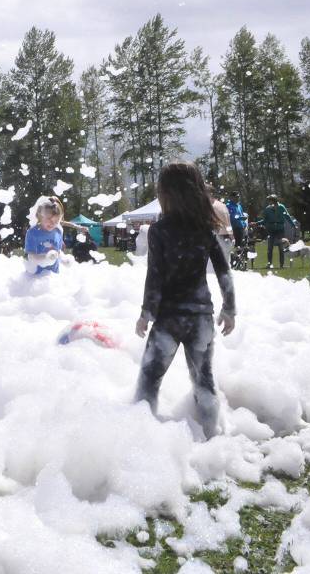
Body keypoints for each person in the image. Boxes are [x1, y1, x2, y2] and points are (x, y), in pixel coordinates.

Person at [134, 162, 235, 440]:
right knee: (204, 381)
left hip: (168, 318)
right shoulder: (204, 229)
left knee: (149, 379)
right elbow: (224, 272)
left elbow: (154, 277)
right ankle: (211, 436)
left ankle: (139, 435)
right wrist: (229, 309)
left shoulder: (159, 230)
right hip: (200, 318)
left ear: (165, 194)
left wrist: (146, 312)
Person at [24, 196, 65, 275]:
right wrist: (44, 259)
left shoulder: (58, 232)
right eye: (49, 219)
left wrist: (64, 260)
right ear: (40, 216)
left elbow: (58, 252)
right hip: (35, 276)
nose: (52, 223)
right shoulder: (33, 233)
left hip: (53, 275)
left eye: (56, 220)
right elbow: (30, 256)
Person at [256, 194, 292, 268]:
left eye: (270, 200)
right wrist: (256, 223)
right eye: (269, 200)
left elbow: (287, 216)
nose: (269, 202)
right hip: (271, 229)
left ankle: (281, 265)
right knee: (270, 247)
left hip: (280, 229)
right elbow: (265, 220)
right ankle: (269, 264)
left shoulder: (281, 207)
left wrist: (293, 224)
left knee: (281, 247)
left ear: (274, 200)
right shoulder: (267, 209)